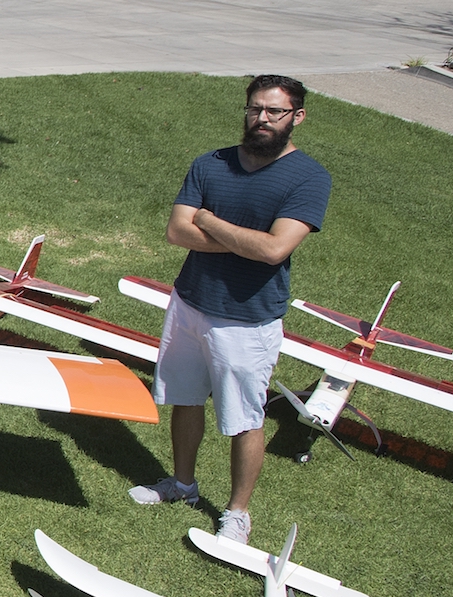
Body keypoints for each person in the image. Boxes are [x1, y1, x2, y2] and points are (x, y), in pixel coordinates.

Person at [130, 74, 332, 546]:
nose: (262, 119)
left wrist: (210, 221)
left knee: (244, 417)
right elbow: (178, 233)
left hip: (248, 320)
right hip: (189, 303)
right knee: (184, 398)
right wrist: (245, 239)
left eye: (274, 112)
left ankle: (237, 513)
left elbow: (275, 250)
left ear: (296, 118)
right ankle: (182, 484)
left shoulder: (309, 177)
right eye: (255, 108)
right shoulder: (211, 164)